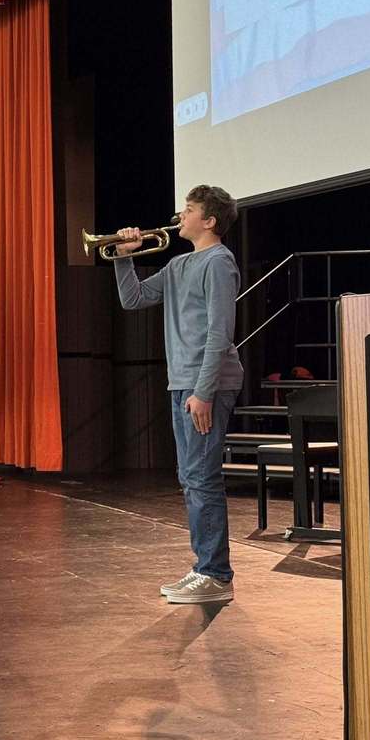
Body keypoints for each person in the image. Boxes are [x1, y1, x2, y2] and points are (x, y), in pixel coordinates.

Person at [114, 185, 244, 604]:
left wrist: (204, 392)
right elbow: (132, 299)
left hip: (206, 385)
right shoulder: (178, 265)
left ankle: (216, 575)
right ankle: (204, 567)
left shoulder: (219, 262)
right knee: (191, 477)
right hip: (182, 383)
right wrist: (123, 253)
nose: (179, 216)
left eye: (188, 210)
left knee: (202, 477)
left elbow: (220, 331)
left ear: (209, 221)